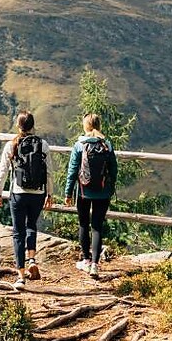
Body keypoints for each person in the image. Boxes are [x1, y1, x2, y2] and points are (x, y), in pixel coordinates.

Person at [0, 110, 51, 290]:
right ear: (33, 126)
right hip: (38, 193)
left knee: (18, 233)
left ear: (18, 126)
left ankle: (20, 277)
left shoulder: (12, 145)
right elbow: (49, 172)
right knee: (31, 225)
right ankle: (32, 259)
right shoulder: (43, 144)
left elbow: (3, 172)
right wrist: (49, 194)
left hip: (18, 193)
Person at [64, 111, 117, 277]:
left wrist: (68, 193)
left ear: (85, 126)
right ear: (99, 126)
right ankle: (95, 264)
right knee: (97, 226)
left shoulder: (79, 145)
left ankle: (86, 260)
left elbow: (72, 171)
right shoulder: (107, 145)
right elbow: (114, 170)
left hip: (83, 192)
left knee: (83, 224)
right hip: (103, 192)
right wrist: (110, 188)